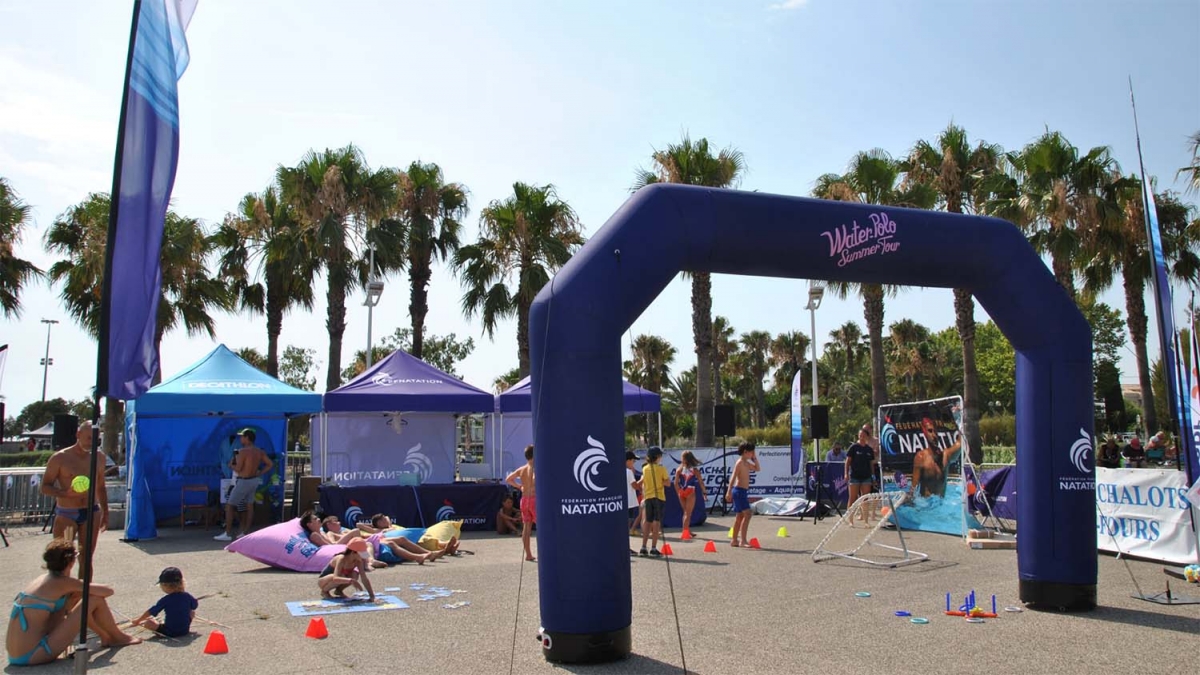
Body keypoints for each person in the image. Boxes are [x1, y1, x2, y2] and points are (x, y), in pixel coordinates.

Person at [5, 539, 140, 666]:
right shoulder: (62, 582)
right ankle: (117, 636)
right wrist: (76, 587)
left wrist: (73, 595)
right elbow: (108, 591)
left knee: (77, 599)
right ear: (71, 562)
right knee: (94, 599)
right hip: (35, 654)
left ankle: (105, 636)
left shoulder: (43, 579)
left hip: (17, 655)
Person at [40, 422, 108, 574]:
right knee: (62, 560)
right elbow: (44, 487)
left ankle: (83, 590)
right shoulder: (60, 458)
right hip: (67, 513)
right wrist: (65, 493)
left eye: (95, 439)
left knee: (86, 558)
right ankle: (63, 589)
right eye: (89, 438)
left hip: (91, 512)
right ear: (78, 435)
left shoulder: (99, 457)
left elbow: (101, 487)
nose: (92, 443)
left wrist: (106, 513)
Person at [214, 428, 274, 542]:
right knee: (249, 505)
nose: (240, 438)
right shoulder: (259, 451)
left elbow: (238, 468)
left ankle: (227, 533)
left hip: (243, 480)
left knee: (229, 505)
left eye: (242, 436)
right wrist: (260, 473)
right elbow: (270, 464)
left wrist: (231, 465)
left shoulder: (242, 451)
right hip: (254, 480)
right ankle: (245, 532)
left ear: (247, 438)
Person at [130, 567, 197, 638]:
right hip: (184, 631)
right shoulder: (187, 596)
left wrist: (138, 620)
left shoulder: (165, 600)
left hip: (169, 632)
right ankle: (181, 627)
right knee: (192, 612)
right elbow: (194, 606)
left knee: (149, 623)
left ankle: (160, 632)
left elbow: (151, 611)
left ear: (165, 585)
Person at [910, 417, 963, 498]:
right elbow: (913, 491)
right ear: (925, 433)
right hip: (925, 504)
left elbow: (961, 443)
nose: (934, 435)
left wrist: (960, 421)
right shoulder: (921, 458)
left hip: (941, 504)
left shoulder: (946, 456)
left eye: (935, 431)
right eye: (930, 431)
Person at [363, 514, 447, 564]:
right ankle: (420, 556)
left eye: (383, 519)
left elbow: (387, 517)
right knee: (394, 542)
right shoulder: (377, 530)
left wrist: (388, 525)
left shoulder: (390, 527)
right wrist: (372, 526)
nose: (383, 521)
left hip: (384, 538)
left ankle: (430, 553)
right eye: (380, 521)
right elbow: (358, 526)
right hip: (379, 539)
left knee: (402, 539)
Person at [506, 445, 537, 562]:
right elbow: (534, 478)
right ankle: (545, 552)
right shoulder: (534, 468)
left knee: (526, 527)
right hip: (534, 500)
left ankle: (528, 554)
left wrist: (519, 486)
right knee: (542, 526)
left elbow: (508, 479)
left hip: (524, 500)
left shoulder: (522, 469)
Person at [636, 446, 668, 557]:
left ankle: (643, 547)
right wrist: (660, 482)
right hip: (659, 497)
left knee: (647, 522)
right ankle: (653, 548)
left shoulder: (645, 469)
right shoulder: (661, 469)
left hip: (648, 497)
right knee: (656, 522)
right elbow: (668, 483)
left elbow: (643, 481)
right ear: (658, 457)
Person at [726, 442, 759, 548]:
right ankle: (743, 540)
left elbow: (757, 468)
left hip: (743, 491)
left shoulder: (746, 463)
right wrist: (728, 491)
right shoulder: (740, 462)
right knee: (748, 514)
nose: (752, 454)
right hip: (738, 491)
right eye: (751, 452)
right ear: (745, 452)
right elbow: (733, 477)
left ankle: (734, 540)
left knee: (739, 516)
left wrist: (754, 458)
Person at [845, 429, 877, 526]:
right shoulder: (853, 447)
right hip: (854, 476)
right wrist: (846, 473)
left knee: (865, 498)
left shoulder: (869, 449)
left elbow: (871, 464)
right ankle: (850, 520)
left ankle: (866, 521)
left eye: (863, 435)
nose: (862, 437)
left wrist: (873, 476)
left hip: (866, 476)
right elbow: (847, 461)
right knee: (852, 498)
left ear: (867, 436)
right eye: (860, 435)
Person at [673, 450, 706, 538]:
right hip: (690, 491)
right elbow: (701, 482)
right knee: (688, 514)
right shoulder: (695, 470)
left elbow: (675, 483)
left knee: (685, 513)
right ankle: (685, 533)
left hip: (681, 491)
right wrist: (704, 492)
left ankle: (687, 530)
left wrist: (678, 492)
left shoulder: (679, 469)